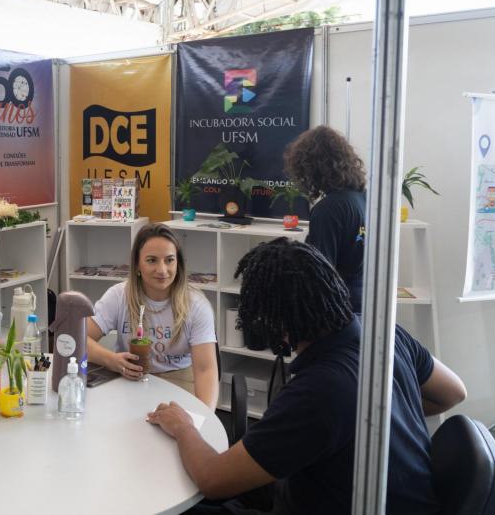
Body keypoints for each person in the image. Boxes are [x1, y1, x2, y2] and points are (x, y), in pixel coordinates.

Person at [146, 238, 466, 515]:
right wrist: (369, 420)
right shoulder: (387, 332)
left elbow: (212, 480)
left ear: (275, 320)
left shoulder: (317, 392)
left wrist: (183, 427)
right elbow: (453, 392)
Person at [87, 223, 219, 407]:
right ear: (137, 265)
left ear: (178, 263)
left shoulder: (197, 305)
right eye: (152, 260)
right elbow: (78, 339)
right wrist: (111, 360)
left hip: (178, 383)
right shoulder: (118, 296)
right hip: (130, 382)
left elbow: (206, 370)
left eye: (169, 260)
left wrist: (204, 418)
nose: (162, 270)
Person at [283, 125, 367, 312]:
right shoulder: (363, 198)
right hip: (364, 301)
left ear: (311, 168)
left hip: (339, 308)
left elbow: (320, 274)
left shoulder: (329, 209)